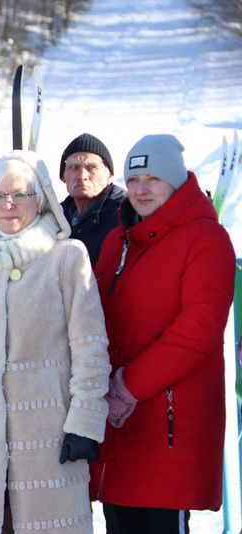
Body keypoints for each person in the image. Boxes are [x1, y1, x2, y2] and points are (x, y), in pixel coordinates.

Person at [0, 150, 111, 533]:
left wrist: (84, 421)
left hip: (49, 434)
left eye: (19, 195)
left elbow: (90, 347)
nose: (7, 204)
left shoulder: (67, 257)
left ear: (40, 199)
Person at [89, 134, 235, 533]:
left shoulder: (205, 238)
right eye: (134, 179)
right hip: (117, 424)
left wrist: (128, 386)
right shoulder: (118, 240)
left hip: (168, 423)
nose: (141, 189)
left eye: (153, 178)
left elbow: (198, 331)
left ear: (175, 181)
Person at [59, 133, 124, 265]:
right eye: (74, 167)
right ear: (63, 177)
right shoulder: (56, 218)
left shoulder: (126, 214)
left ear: (110, 175)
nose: (82, 176)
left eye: (92, 167)